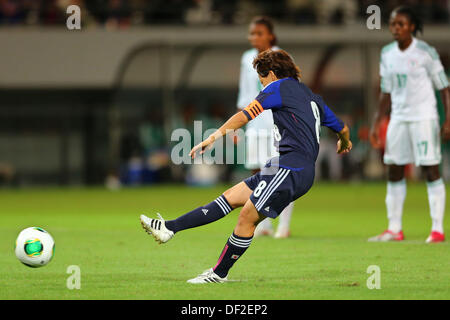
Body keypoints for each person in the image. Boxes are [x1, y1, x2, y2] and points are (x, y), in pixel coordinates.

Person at [140, 50, 352, 283]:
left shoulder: (277, 87)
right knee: (230, 197)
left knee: (247, 217)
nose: (262, 86)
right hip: (283, 166)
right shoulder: (312, 96)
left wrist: (213, 137)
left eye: (261, 80)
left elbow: (245, 115)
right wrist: (344, 142)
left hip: (291, 168)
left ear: (271, 74)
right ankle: (169, 228)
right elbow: (341, 127)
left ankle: (219, 274)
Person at [369, 6, 450, 243]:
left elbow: (444, 88)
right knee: (394, 168)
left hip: (424, 117)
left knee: (430, 169)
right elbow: (386, 91)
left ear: (412, 26)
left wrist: (447, 119)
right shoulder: (387, 53)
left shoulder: (425, 52)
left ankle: (437, 229)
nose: (395, 28)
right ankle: (394, 228)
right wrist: (376, 122)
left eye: (401, 24)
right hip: (398, 118)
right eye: (393, 24)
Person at [237, 16, 294, 238]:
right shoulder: (246, 59)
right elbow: (244, 93)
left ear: (270, 35)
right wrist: (240, 126)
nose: (254, 37)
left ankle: (284, 225)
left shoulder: (281, 58)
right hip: (255, 124)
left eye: (259, 33)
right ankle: (263, 225)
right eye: (251, 33)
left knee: (281, 173)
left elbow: (291, 91)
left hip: (276, 124)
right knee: (258, 173)